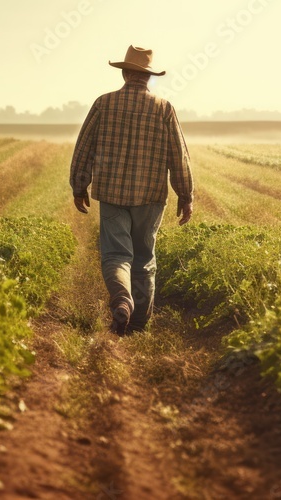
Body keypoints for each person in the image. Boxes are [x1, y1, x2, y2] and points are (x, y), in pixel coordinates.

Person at [69, 45, 194, 336]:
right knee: (144, 258)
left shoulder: (104, 103)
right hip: (150, 196)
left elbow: (84, 146)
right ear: (149, 78)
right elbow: (179, 155)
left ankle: (122, 300)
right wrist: (185, 196)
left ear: (125, 73)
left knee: (115, 255)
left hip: (111, 193)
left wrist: (79, 184)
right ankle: (137, 324)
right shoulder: (164, 109)